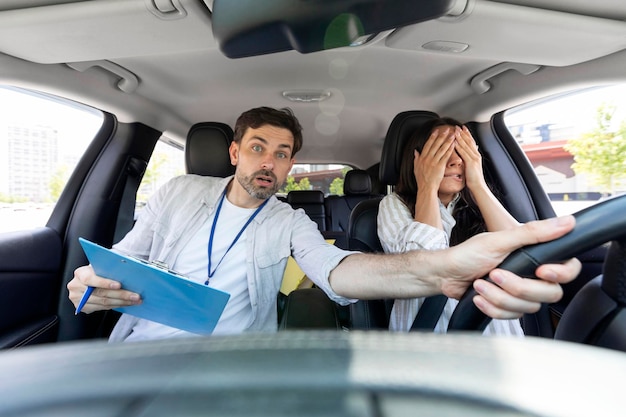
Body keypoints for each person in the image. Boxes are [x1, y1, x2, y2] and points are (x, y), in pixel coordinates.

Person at [67, 107, 581, 342]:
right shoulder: (178, 192)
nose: (268, 162)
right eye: (257, 148)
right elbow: (123, 260)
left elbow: (337, 273)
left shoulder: (287, 220)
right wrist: (87, 286)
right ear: (234, 152)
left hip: (232, 358)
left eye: (283, 153)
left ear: (292, 166)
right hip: (141, 350)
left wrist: (441, 273)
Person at [378, 117, 525, 334]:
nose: (456, 160)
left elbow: (522, 254)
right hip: (430, 336)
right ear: (417, 160)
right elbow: (423, 265)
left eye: (462, 151)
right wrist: (427, 185)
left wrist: (477, 182)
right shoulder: (393, 204)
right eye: (442, 150)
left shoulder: (482, 205)